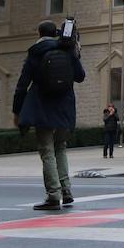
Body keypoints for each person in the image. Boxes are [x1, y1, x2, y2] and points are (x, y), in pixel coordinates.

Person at [13, 19, 85, 210]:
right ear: (56, 33)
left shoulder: (35, 52)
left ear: (39, 33)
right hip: (65, 106)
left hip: (42, 106)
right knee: (60, 147)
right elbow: (80, 76)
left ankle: (53, 195)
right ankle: (66, 191)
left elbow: (22, 85)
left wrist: (17, 111)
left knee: (47, 150)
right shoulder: (67, 49)